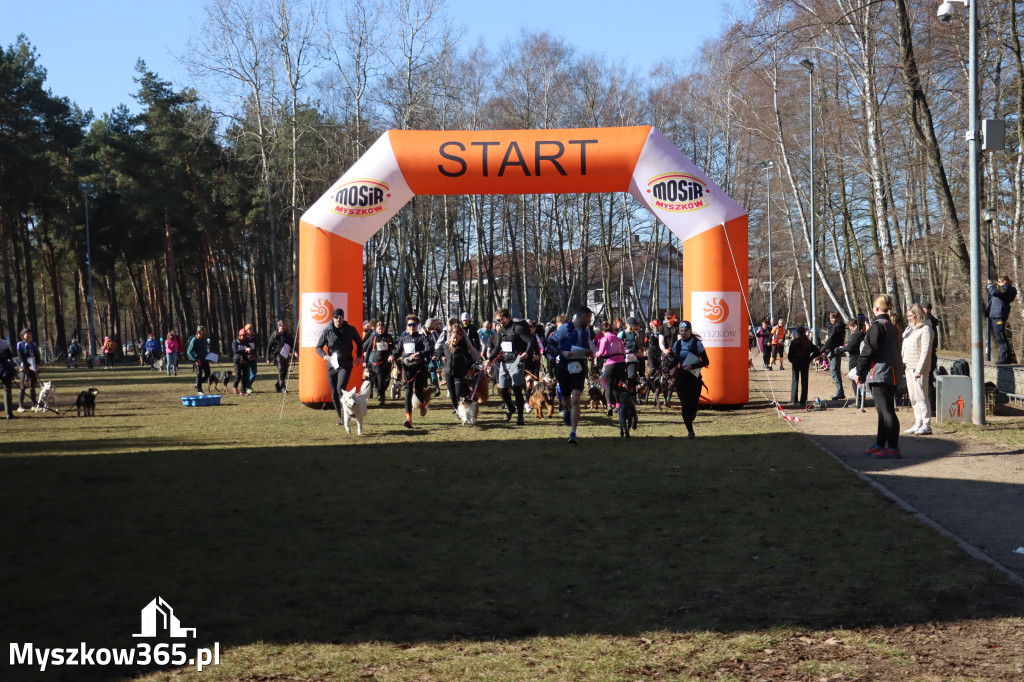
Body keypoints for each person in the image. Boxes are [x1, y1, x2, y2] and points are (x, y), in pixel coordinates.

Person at [857, 294, 903, 459]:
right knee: (882, 411)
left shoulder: (878, 326)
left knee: (887, 411)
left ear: (875, 309)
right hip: (891, 373)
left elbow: (868, 350)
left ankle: (892, 447)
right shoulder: (890, 325)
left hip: (881, 373)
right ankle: (880, 444)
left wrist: (859, 371)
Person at [483, 308, 536, 425]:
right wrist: (489, 360)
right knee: (502, 389)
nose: (497, 322)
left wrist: (526, 352)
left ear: (505, 318)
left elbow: (530, 341)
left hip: (516, 361)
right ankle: (511, 408)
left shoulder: (517, 329)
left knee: (516, 388)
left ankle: (520, 416)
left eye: (498, 320)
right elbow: (497, 347)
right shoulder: (501, 331)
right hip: (504, 362)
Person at [553, 306, 595, 444]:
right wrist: (563, 353)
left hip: (579, 366)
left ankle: (573, 433)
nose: (590, 321)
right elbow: (551, 345)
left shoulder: (586, 331)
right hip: (564, 366)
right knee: (566, 399)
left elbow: (586, 346)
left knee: (576, 398)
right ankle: (566, 408)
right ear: (583, 317)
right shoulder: (565, 328)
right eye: (589, 318)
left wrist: (589, 353)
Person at [316, 308, 364, 426]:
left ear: (343, 318)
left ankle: (346, 412)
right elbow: (318, 347)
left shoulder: (350, 329)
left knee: (340, 388)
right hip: (332, 364)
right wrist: (324, 356)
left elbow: (359, 342)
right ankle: (340, 416)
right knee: (334, 393)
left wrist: (358, 356)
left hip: (345, 364)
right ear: (333, 318)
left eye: (341, 317)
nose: (339, 319)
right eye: (337, 317)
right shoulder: (327, 330)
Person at [670, 321, 710, 439]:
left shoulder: (697, 344)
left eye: (686, 331)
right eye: (681, 331)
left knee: (692, 406)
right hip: (682, 379)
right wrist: (668, 367)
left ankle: (692, 415)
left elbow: (706, 361)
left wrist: (692, 366)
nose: (683, 333)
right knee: (685, 404)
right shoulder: (677, 344)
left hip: (695, 379)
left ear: (690, 331)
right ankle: (690, 431)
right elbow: (676, 360)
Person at [902, 304, 934, 436]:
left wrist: (919, 369)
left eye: (911, 316)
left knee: (921, 396)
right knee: (913, 397)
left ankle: (926, 424)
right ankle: (918, 422)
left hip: (918, 368)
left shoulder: (926, 329)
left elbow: (925, 351)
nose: (909, 319)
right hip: (909, 366)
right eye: (908, 316)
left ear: (918, 315)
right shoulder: (910, 329)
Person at [394, 314, 431, 428]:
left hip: (420, 368)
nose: (411, 327)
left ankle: (423, 403)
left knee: (419, 391)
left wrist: (418, 353)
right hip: (408, 368)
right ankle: (408, 419)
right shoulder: (403, 339)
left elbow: (429, 349)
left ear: (417, 325)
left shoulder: (422, 337)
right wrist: (392, 356)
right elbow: (398, 351)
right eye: (409, 325)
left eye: (413, 325)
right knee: (408, 392)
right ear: (407, 326)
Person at [436, 321, 480, 414]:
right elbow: (437, 352)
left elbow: (468, 360)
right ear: (450, 336)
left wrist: (475, 366)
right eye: (453, 338)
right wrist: (441, 357)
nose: (455, 340)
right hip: (448, 372)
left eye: (457, 338)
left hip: (459, 373)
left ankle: (461, 402)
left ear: (460, 337)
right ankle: (457, 410)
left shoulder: (462, 346)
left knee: (457, 393)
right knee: (452, 394)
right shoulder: (446, 346)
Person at [595, 321, 627, 417]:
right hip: (621, 362)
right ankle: (618, 405)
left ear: (603, 331)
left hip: (611, 363)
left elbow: (600, 353)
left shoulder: (604, 339)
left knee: (608, 385)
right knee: (616, 384)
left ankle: (609, 406)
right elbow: (624, 352)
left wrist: (594, 354)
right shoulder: (617, 338)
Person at [986, 276, 1017, 364]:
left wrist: (989, 286)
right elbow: (992, 294)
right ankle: (1006, 357)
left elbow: (994, 292)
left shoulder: (1006, 289)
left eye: (999, 282)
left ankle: (1005, 358)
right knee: (1000, 337)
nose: (998, 284)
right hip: (996, 315)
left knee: (1001, 338)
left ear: (1005, 282)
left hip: (999, 315)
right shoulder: (1003, 290)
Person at [787, 326, 820, 409]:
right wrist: (810, 358)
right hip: (805, 361)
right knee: (804, 381)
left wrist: (792, 360)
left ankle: (793, 400)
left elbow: (789, 354)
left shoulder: (794, 342)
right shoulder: (808, 342)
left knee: (795, 380)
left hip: (796, 362)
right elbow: (817, 351)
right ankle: (803, 400)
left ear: (797, 333)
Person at [363, 320, 394, 405]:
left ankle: (381, 394)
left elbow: (392, 348)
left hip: (386, 362)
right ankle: (381, 396)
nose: (380, 331)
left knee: (384, 381)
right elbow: (369, 349)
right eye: (379, 329)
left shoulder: (388, 337)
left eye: (382, 329)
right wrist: (365, 361)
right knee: (378, 380)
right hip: (376, 362)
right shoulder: (374, 337)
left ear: (384, 328)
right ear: (376, 329)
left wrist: (392, 356)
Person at [838, 317, 866, 400]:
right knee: (860, 380)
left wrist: (841, 349)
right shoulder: (863, 334)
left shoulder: (857, 335)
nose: (851, 330)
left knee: (855, 379)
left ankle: (859, 398)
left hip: (855, 359)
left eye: (851, 328)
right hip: (859, 358)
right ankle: (861, 398)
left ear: (855, 326)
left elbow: (850, 347)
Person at [821, 312, 847, 400]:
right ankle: (840, 391)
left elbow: (830, 341)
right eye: (830, 318)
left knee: (834, 371)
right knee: (835, 371)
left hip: (835, 350)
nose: (831, 320)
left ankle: (840, 391)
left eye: (833, 318)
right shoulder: (841, 326)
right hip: (836, 349)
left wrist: (821, 350)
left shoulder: (836, 327)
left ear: (838, 318)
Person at [16, 329, 42, 412]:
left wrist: (37, 364)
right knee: (23, 386)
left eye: (30, 334)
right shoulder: (20, 344)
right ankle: (20, 406)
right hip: (24, 367)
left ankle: (34, 405)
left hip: (34, 367)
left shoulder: (33, 344)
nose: (29, 335)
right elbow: (21, 357)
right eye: (27, 334)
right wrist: (28, 366)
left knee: (32, 386)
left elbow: (37, 355)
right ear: (22, 335)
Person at [266, 320, 295, 393]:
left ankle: (278, 385)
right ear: (279, 326)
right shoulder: (275, 334)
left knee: (285, 371)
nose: (283, 327)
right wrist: (267, 358)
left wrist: (295, 351)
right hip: (278, 355)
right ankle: (283, 387)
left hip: (286, 354)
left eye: (284, 326)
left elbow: (292, 344)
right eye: (282, 326)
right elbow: (269, 346)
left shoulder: (288, 335)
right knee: (281, 369)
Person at [618, 317, 645, 393]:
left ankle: (631, 395)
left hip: (632, 358)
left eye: (634, 326)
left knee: (632, 376)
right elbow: (616, 345)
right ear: (627, 325)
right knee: (622, 378)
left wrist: (640, 352)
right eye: (631, 326)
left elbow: (636, 346)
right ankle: (621, 393)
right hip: (622, 358)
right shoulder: (621, 334)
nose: (633, 327)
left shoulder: (635, 335)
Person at [921, 303, 940, 415]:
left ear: (926, 310)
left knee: (927, 380)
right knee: (928, 380)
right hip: (932, 354)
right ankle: (931, 406)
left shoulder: (929, 321)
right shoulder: (930, 320)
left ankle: (931, 407)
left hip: (930, 354)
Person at [232, 328, 257, 395]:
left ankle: (242, 391)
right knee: (238, 375)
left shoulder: (246, 342)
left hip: (245, 360)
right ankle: (235, 386)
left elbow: (251, 349)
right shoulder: (235, 342)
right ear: (239, 335)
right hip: (237, 359)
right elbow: (236, 351)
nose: (244, 337)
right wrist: (245, 349)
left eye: (245, 336)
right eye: (243, 336)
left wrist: (250, 350)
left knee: (245, 376)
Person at [187, 326, 212, 394]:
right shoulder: (194, 340)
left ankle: (198, 384)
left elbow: (205, 350)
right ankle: (199, 389)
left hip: (205, 359)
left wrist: (210, 357)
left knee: (208, 373)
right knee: (199, 374)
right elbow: (189, 351)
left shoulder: (204, 339)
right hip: (198, 360)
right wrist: (195, 360)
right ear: (200, 332)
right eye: (204, 331)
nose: (205, 332)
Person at [1, 329, 17, 419]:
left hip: (3, 368)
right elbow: (10, 356)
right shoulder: (3, 343)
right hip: (4, 368)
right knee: (7, 390)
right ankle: (9, 413)